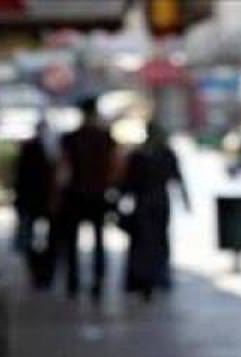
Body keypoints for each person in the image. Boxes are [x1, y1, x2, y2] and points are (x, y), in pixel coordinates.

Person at [54, 96, 119, 302]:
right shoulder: (105, 138)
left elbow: (63, 168)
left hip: (76, 193)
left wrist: (57, 193)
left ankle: (73, 281)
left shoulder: (71, 138)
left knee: (73, 240)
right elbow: (114, 167)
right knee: (98, 240)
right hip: (97, 194)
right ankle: (97, 281)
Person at [119, 121, 190, 300]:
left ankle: (149, 278)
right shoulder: (159, 154)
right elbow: (177, 179)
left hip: (148, 203)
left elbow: (127, 183)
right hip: (154, 203)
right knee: (154, 241)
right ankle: (151, 277)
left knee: (149, 242)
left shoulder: (145, 154)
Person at [12, 119, 58, 288]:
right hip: (36, 199)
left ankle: (42, 270)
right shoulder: (38, 149)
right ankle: (39, 270)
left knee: (41, 237)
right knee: (32, 236)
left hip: (40, 199)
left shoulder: (42, 149)